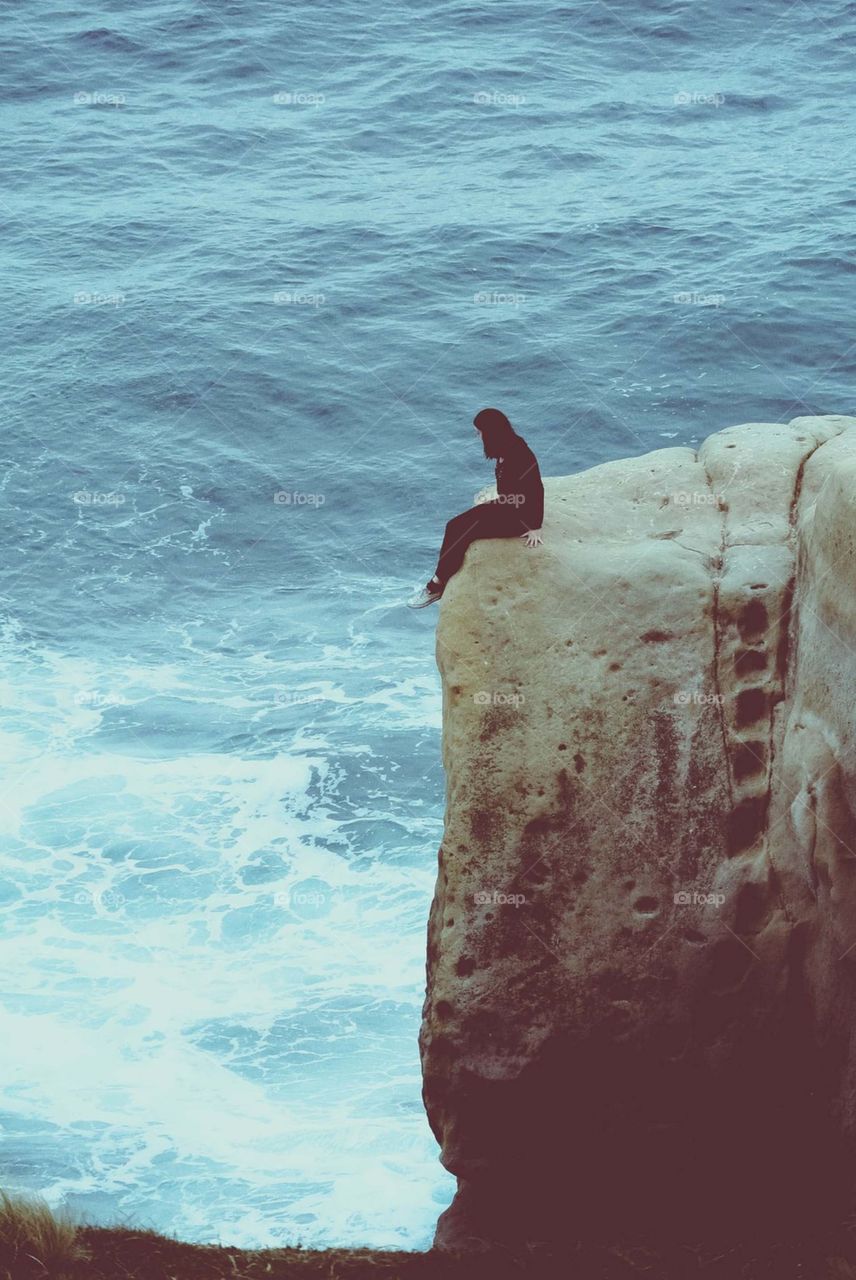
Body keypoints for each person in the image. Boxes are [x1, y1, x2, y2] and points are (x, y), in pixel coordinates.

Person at [407, 407, 544, 608]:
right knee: (454, 525)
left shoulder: (519, 453)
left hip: (519, 517)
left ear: (491, 432)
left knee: (462, 531)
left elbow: (536, 489)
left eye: (479, 432)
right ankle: (438, 582)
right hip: (509, 506)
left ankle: (436, 586)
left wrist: (535, 525)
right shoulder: (505, 449)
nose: (477, 436)